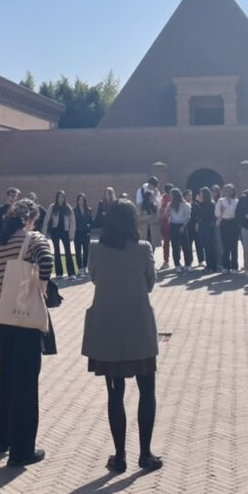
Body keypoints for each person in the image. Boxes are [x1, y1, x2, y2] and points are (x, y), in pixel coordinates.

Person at [82, 199, 163, 473]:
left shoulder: (96, 249)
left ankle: (120, 456)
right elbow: (150, 283)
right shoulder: (143, 249)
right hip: (138, 325)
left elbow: (94, 278)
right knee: (147, 390)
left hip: (107, 327)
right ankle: (145, 453)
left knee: (115, 394)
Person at [0, 198, 55, 467]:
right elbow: (48, 260)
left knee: (5, 378)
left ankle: (1, 438)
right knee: (26, 384)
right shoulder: (33, 238)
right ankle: (22, 449)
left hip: (0, 315)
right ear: (28, 219)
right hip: (24, 317)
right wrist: (41, 284)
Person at [43, 191, 77, 279]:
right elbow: (46, 220)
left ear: (64, 198)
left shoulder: (68, 208)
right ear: (56, 198)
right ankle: (59, 273)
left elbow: (73, 222)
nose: (60, 199)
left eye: (62, 197)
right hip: (55, 232)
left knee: (68, 252)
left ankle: (71, 273)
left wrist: (71, 235)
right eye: (59, 197)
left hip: (65, 232)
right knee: (57, 251)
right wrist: (44, 234)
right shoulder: (52, 207)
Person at [215, 184, 239, 274]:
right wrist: (220, 211)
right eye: (226, 190)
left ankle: (235, 267)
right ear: (223, 191)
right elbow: (216, 212)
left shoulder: (236, 201)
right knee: (225, 246)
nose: (228, 192)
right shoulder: (220, 201)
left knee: (234, 246)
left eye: (230, 190)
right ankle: (226, 266)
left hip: (233, 223)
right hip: (224, 223)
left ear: (233, 191)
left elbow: (238, 213)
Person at [168, 188, 192, 272]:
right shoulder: (170, 205)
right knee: (175, 246)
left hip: (183, 226)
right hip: (173, 226)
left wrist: (183, 226)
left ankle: (188, 264)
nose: (170, 196)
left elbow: (188, 217)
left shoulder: (185, 204)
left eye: (171, 195)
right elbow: (167, 216)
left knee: (186, 246)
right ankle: (177, 264)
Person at [135, 178, 162, 251]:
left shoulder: (157, 192)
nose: (153, 188)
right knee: (144, 242)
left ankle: (151, 259)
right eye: (153, 185)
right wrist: (141, 216)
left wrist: (155, 197)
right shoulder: (141, 190)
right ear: (149, 184)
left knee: (153, 243)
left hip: (154, 220)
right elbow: (139, 204)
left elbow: (159, 205)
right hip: (144, 218)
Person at [196, 187, 218, 273]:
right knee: (206, 247)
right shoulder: (203, 203)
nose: (200, 195)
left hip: (208, 226)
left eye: (201, 193)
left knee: (209, 247)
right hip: (203, 226)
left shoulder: (210, 204)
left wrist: (200, 202)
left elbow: (205, 215)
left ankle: (212, 266)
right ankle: (209, 266)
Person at [74, 193, 93, 276]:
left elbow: (91, 221)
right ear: (77, 201)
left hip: (86, 234)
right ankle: (80, 268)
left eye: (82, 200)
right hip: (77, 233)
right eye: (79, 200)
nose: (81, 201)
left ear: (85, 201)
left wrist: (89, 227)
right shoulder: (74, 210)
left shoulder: (89, 210)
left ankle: (85, 267)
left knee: (86, 251)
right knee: (78, 251)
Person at [159, 183, 173, 268]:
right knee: (176, 242)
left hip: (165, 222)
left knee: (166, 242)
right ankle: (177, 260)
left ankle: (166, 261)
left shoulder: (163, 198)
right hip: (174, 222)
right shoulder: (175, 198)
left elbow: (161, 209)